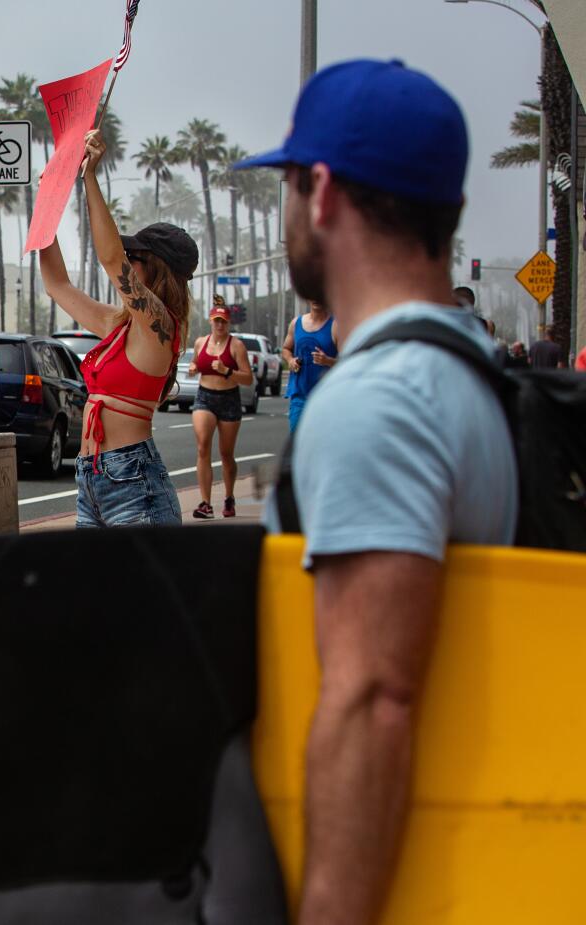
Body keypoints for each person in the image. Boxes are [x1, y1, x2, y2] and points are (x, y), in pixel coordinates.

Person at [235, 59, 517, 924]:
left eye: (286, 185)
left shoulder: (381, 401)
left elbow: (371, 699)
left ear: (321, 194)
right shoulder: (470, 368)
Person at [38, 131, 196, 527]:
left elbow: (110, 259)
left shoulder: (160, 324)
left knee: (132, 591)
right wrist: (47, 209)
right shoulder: (120, 324)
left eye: (133, 257)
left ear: (154, 267)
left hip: (132, 480)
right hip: (91, 477)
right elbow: (57, 284)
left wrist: (90, 176)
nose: (125, 261)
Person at [188, 295, 254, 519]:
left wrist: (227, 370)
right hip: (205, 397)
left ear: (229, 323)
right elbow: (197, 363)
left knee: (226, 454)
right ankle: (205, 503)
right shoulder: (200, 342)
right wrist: (194, 368)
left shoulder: (236, 346)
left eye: (223, 321)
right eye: (216, 320)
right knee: (202, 446)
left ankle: (228, 496)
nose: (219, 325)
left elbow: (248, 379)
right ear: (210, 321)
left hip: (229, 398)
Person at [281, 300, 338, 432]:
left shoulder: (336, 325)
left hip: (327, 397)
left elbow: (348, 361)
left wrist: (327, 361)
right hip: (300, 396)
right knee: (297, 443)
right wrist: (290, 360)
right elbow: (286, 349)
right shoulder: (296, 323)